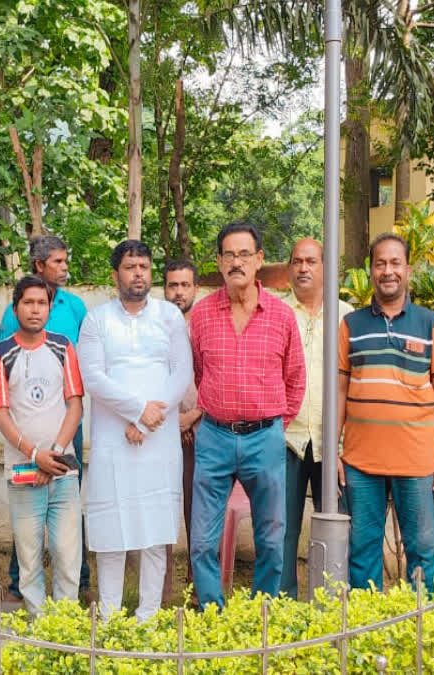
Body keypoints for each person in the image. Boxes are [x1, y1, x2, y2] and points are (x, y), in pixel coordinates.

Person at [188, 222, 305, 607]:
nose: (236, 262)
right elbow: (200, 371)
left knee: (272, 536)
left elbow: (295, 379)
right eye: (228, 255)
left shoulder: (282, 316)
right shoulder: (202, 314)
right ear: (219, 262)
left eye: (244, 255)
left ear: (258, 261)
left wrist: (271, 427)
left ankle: (260, 616)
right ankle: (212, 616)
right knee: (203, 539)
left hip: (265, 438)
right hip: (214, 437)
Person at [77, 240, 192, 622]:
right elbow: (93, 377)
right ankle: (109, 615)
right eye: (130, 267)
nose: (138, 273)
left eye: (144, 266)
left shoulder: (169, 317)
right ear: (116, 275)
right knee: (111, 527)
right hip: (113, 440)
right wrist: (137, 410)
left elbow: (181, 373)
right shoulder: (97, 320)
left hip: (158, 440)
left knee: (155, 529)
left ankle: (148, 615)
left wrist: (145, 420)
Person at [337, 233, 434, 595]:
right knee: (361, 554)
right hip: (360, 463)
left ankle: (422, 633)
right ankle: (365, 631)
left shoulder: (430, 324)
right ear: (370, 270)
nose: (387, 271)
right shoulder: (351, 326)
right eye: (380, 264)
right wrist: (335, 453)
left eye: (395, 263)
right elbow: (341, 390)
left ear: (408, 269)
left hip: (417, 464)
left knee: (422, 553)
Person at [0, 235, 91, 602]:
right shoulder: (2, 352)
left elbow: (76, 403)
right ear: (16, 308)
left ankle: (67, 615)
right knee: (29, 549)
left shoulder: (66, 337)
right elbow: (1, 413)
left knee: (67, 546)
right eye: (28, 303)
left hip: (64, 454)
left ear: (50, 307)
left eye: (41, 303)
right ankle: (32, 615)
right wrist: (35, 455)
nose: (35, 309)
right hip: (23, 464)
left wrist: (57, 452)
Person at [278, 238, 353, 599]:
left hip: (331, 444)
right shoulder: (275, 313)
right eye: (296, 261)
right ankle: (282, 608)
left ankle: (330, 604)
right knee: (282, 530)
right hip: (286, 438)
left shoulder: (346, 317)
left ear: (326, 267)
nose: (303, 268)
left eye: (311, 261)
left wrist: (342, 443)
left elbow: (354, 382)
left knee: (336, 526)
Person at [162, 258, 202, 593]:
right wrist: (173, 418)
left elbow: (216, 377)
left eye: (184, 285)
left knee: (196, 506)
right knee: (162, 506)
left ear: (195, 289)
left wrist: (191, 416)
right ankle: (160, 587)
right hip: (162, 429)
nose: (178, 292)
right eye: (173, 285)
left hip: (201, 431)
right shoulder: (156, 325)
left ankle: (194, 584)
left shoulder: (205, 323)